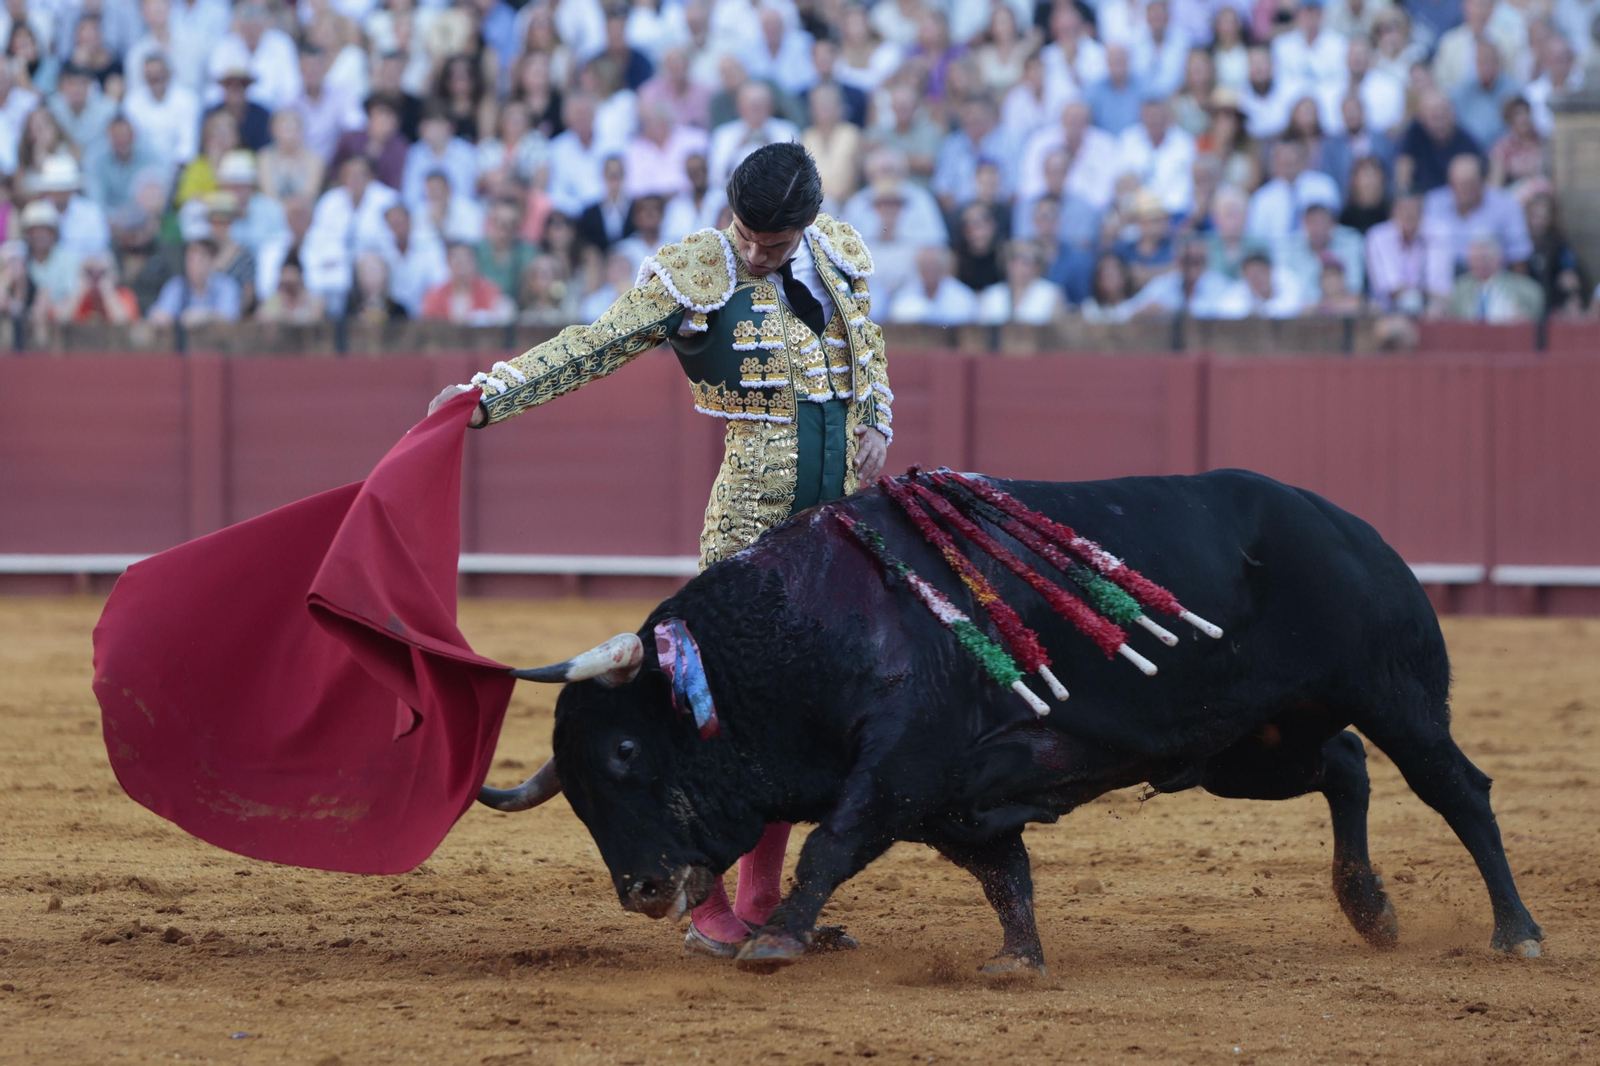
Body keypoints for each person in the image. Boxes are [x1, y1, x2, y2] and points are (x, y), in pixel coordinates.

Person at [427, 144, 889, 963]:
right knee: (711, 718)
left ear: (805, 230)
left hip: (832, 531)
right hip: (748, 522)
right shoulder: (692, 273)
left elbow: (868, 347)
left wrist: (876, 417)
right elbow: (595, 344)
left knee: (802, 715)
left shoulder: (840, 257)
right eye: (746, 233)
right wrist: (490, 395)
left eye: (773, 245)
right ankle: (707, 904)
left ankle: (763, 900)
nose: (754, 253)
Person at [1422, 153, 1532, 271]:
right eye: (1457, 184)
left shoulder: (1506, 205)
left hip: (1491, 279)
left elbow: (1519, 255)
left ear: (1482, 181)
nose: (1462, 190)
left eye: (1468, 184)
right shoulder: (1433, 203)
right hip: (1443, 280)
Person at [1365, 192, 1453, 315]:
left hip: (1428, 309)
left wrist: (1421, 297)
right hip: (1387, 311)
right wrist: (1417, 293)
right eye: (1403, 210)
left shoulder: (1438, 234)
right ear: (1393, 213)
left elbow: (1439, 287)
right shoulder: (1378, 236)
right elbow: (1390, 286)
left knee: (1439, 310)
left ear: (1422, 214)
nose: (1408, 215)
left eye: (1414, 210)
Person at [1448, 233, 1544, 322]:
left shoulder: (1526, 289)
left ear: (1499, 258)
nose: (1479, 264)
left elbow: (1535, 320)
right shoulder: (1459, 289)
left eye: (1484, 258)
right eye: (1474, 259)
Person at [148, 237, 242, 325]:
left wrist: (205, 316)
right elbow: (159, 313)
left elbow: (230, 317)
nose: (195, 265)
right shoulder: (176, 286)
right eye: (191, 259)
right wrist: (162, 318)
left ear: (212, 261)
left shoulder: (226, 285)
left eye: (201, 259)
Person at [976, 240, 1063, 325]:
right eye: (1014, 260)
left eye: (1025, 262)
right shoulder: (991, 294)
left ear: (1037, 266)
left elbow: (1055, 330)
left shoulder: (1051, 294)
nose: (1019, 266)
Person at [255, 251, 325, 323]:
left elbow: (315, 318)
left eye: (291, 281)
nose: (288, 280)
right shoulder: (274, 300)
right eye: (286, 282)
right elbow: (263, 317)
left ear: (300, 277)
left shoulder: (312, 300)